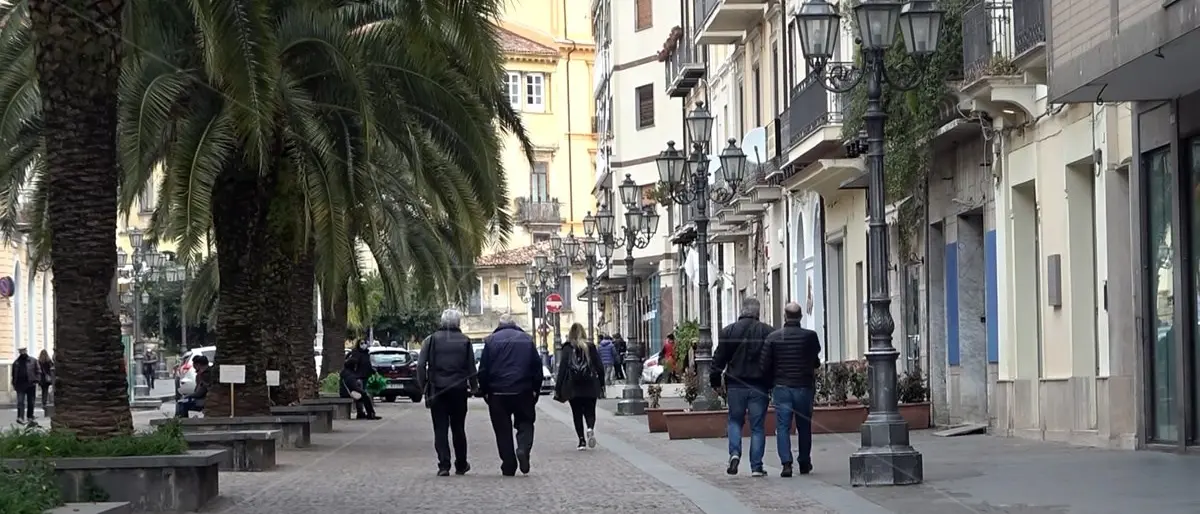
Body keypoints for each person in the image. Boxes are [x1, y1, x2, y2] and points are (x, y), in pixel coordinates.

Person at [711, 297, 774, 477]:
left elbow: (719, 359)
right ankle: (756, 466)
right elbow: (773, 360)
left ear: (742, 310)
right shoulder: (768, 332)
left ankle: (735, 453)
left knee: (734, 420)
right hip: (759, 385)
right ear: (758, 312)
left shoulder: (728, 331)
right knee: (757, 427)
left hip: (735, 384)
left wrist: (715, 381)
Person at [760, 302, 821, 477]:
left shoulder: (773, 338)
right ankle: (804, 461)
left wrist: (770, 382)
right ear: (800, 317)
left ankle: (786, 463)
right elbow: (815, 360)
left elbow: (765, 365)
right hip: (803, 387)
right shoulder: (810, 336)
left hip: (782, 387)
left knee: (783, 426)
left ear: (785, 317)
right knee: (804, 426)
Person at [478, 312, 543, 476]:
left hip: (497, 392)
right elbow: (537, 367)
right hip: (523, 390)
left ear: (499, 325)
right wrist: (536, 388)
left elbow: (483, 369)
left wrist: (484, 390)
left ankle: (508, 464)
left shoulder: (491, 341)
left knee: (502, 429)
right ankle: (523, 448)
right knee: (526, 422)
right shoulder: (527, 340)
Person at [416, 309, 478, 477]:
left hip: (437, 390)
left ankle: (444, 465)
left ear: (442, 322)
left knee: (440, 429)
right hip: (458, 391)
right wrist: (473, 387)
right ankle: (461, 464)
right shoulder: (465, 341)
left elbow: (421, 366)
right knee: (458, 428)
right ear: (458, 323)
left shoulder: (431, 340)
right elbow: (471, 367)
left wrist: (423, 387)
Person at [555, 323, 604, 450]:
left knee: (577, 414)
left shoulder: (567, 348)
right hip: (590, 385)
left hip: (573, 386)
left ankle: (581, 441)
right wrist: (602, 384)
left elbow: (562, 369)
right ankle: (590, 428)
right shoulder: (590, 346)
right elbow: (599, 367)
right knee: (590, 410)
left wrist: (558, 388)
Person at [344, 340, 380, 420]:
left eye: (365, 343)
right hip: (358, 377)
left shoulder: (366, 353)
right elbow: (352, 363)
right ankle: (362, 412)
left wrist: (374, 372)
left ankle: (365, 412)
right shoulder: (356, 353)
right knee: (362, 394)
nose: (363, 345)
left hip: (365, 376)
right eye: (361, 343)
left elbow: (368, 365)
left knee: (364, 394)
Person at [11, 347, 40, 424]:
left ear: (26, 351)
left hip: (31, 384)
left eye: (23, 351)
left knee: (31, 402)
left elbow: (38, 371)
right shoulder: (16, 363)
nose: (22, 352)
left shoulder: (33, 361)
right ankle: (20, 417)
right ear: (19, 352)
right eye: (21, 351)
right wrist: (14, 383)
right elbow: (13, 374)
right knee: (20, 402)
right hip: (20, 385)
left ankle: (30, 416)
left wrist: (36, 380)